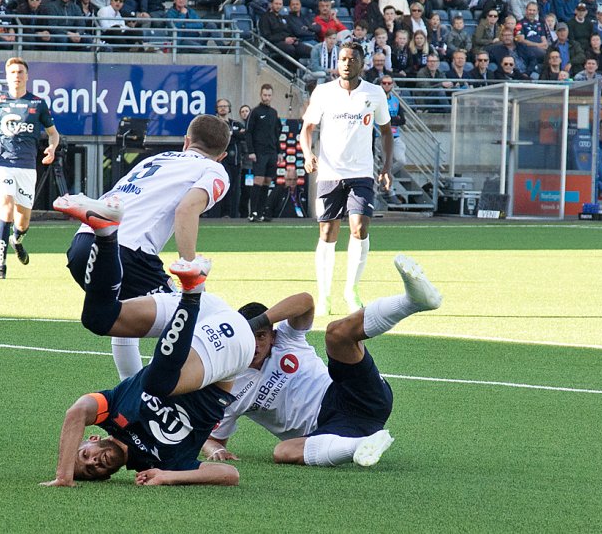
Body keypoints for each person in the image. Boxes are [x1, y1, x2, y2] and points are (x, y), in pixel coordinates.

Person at [39, 243, 249, 486]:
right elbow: (229, 474)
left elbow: (77, 412)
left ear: (92, 438)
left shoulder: (111, 409)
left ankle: (106, 234)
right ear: (106, 476)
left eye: (85, 455)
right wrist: (167, 476)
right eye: (91, 471)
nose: (93, 462)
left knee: (98, 318)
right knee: (157, 383)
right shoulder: (160, 464)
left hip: (204, 308)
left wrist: (63, 477)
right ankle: (192, 290)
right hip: (232, 343)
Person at [203, 254, 442, 467]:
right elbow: (213, 437)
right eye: (248, 338)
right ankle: (361, 446)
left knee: (336, 333)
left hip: (354, 395)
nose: (254, 344)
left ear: (272, 336)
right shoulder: (229, 385)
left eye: (261, 336)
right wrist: (216, 449)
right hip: (330, 433)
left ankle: (413, 302)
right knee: (282, 451)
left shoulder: (287, 338)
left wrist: (256, 322)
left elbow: (305, 301)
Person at [57, 114, 231, 381]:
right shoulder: (214, 170)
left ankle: (131, 397)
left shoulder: (154, 160)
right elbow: (187, 210)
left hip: (82, 244)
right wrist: (190, 271)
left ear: (186, 141)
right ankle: (174, 397)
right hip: (128, 253)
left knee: (123, 318)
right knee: (195, 316)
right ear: (222, 155)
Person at [300, 41, 393, 315]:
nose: (346, 63)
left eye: (352, 59)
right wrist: (307, 154)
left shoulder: (374, 93)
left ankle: (351, 291)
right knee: (327, 232)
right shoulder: (324, 92)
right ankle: (324, 296)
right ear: (336, 62)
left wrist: (385, 167)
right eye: (342, 58)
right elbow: (307, 129)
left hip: (361, 173)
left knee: (359, 228)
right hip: (330, 173)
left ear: (361, 63)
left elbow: (386, 132)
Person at [0, 57, 60, 279]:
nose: (17, 76)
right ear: (7, 77)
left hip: (27, 166)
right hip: (2, 163)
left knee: (23, 219)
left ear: (26, 76)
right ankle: (1, 263)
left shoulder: (37, 104)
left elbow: (53, 133)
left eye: (20, 72)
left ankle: (16, 240)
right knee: (6, 207)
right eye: (13, 72)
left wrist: (52, 148)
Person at [244, 83, 281, 222]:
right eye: (265, 95)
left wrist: (280, 152)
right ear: (261, 95)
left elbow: (276, 134)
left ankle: (261, 212)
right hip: (259, 152)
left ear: (272, 96)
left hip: (272, 152)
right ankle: (252, 212)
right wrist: (251, 151)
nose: (267, 98)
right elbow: (248, 133)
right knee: (258, 181)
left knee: (267, 182)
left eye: (269, 95)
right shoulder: (255, 112)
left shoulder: (274, 113)